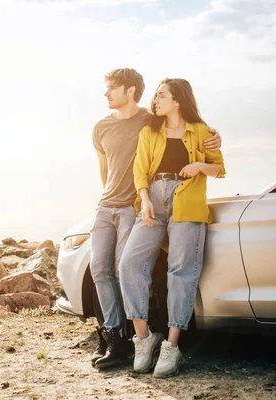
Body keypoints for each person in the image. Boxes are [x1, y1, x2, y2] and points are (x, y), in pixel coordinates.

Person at [90, 70, 221, 370]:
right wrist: (143, 197)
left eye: (162, 95)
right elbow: (129, 169)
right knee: (119, 266)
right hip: (144, 201)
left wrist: (203, 158)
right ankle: (132, 337)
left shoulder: (180, 126)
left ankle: (170, 345)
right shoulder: (142, 128)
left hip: (178, 201)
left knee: (179, 270)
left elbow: (217, 165)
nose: (156, 99)